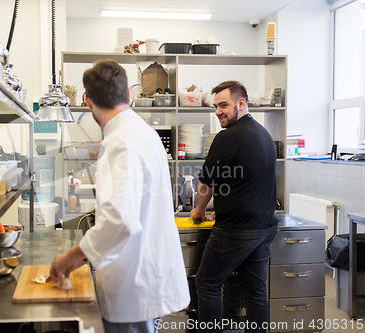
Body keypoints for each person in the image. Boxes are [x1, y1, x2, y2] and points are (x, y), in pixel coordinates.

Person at [49, 59, 190, 333]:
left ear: (88, 102)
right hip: (144, 273)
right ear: (128, 95)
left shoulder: (120, 142)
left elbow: (120, 219)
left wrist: (72, 256)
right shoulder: (144, 133)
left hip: (132, 282)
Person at [190, 81, 279, 333]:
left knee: (207, 283)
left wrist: (199, 210)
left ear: (242, 103)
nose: (218, 111)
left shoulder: (227, 137)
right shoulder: (264, 134)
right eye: (216, 106)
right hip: (265, 226)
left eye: (224, 105)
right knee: (255, 289)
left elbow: (207, 181)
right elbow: (244, 180)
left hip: (236, 230)